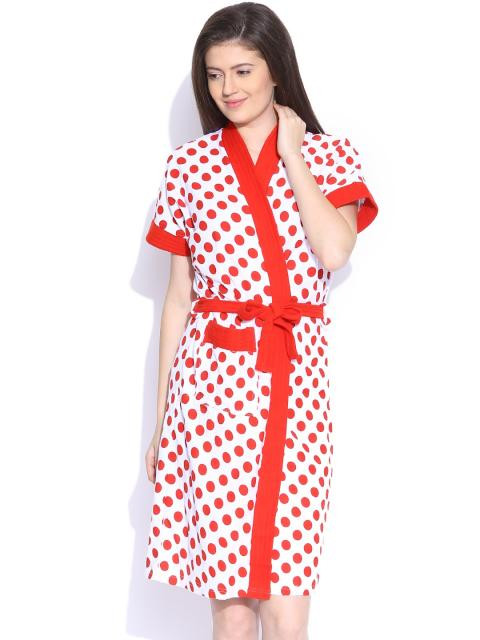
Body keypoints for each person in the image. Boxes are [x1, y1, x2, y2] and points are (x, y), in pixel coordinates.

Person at [144, 2, 378, 638]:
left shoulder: (331, 156)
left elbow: (334, 251)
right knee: (232, 611)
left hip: (295, 387)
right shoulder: (188, 167)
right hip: (211, 392)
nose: (229, 88)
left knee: (287, 603)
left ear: (277, 68)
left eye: (243, 71)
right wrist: (162, 421)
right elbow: (178, 299)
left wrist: (293, 155)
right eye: (215, 74)